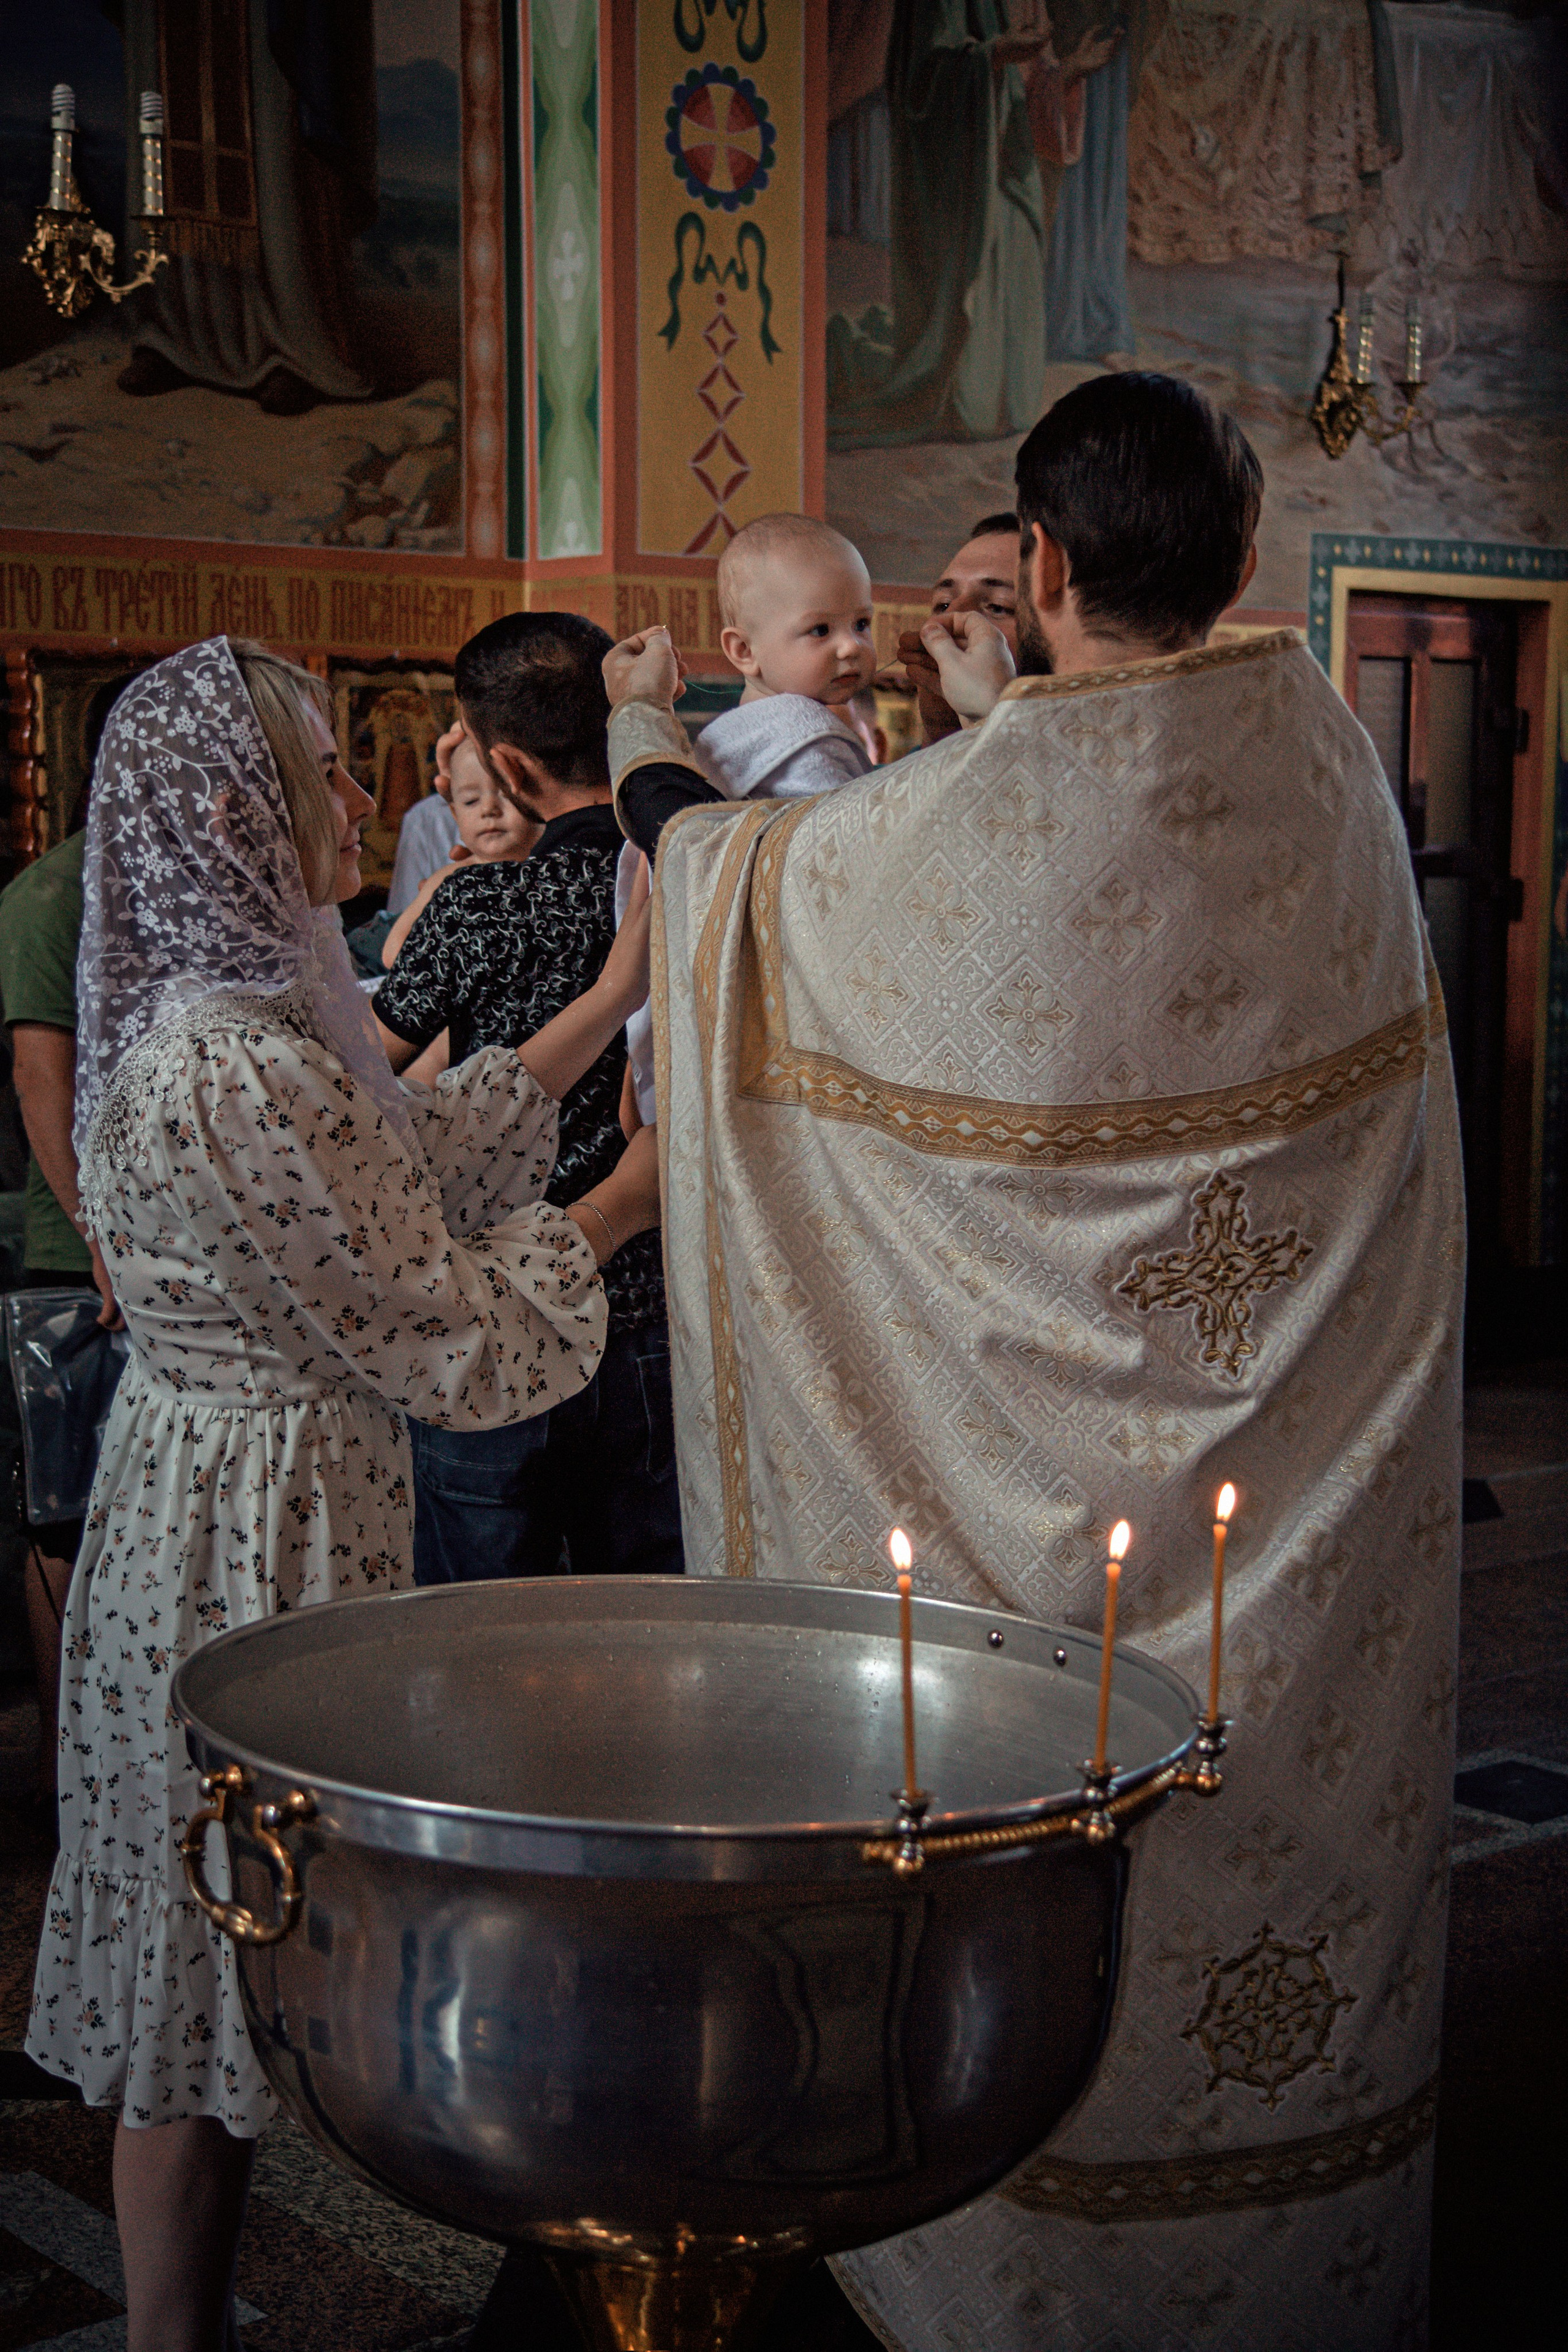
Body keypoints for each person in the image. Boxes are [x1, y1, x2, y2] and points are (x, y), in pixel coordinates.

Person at [608, 371, 1463, 2351]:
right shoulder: (1332, 758)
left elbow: (741, 892)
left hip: (1034, 1518)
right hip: (1301, 1516)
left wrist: (653, 727)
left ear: (1048, 562)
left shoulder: (973, 819)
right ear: (1249, 558)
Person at [26, 634, 659, 2352]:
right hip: (240, 1522)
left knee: (224, 1949)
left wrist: (602, 1003)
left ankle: (191, 2324)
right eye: (330, 770)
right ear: (240, 810)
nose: (375, 798)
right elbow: (432, 1317)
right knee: (196, 1949)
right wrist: (639, 1192)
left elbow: (410, 1159)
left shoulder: (251, 1024)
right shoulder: (227, 1063)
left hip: (257, 1488)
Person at [373, 612, 682, 1584]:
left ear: (506, 766)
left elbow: (360, 1084)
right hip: (645, 1311)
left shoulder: (476, 905)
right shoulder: (686, 882)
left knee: (476, 1624)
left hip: (491, 1319)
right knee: (641, 1613)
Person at [616, 514, 879, 1125]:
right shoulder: (806, 741)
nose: (851, 646)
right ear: (742, 651)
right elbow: (844, 869)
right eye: (820, 630)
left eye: (861, 623)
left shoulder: (726, 739)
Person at [0, 677, 127, 1800]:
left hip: (166, 1250)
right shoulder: (53, 893)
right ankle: (61, 1768)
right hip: (72, 1251)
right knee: (67, 1522)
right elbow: (45, 1077)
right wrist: (100, 1232)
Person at [380, 726, 540, 967]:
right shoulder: (447, 879)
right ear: (455, 814)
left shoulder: (550, 870)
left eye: (507, 794)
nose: (488, 809)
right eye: (471, 801)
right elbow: (393, 951)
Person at [895, 508, 1021, 744]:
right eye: (943, 605)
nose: (946, 622)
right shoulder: (866, 781)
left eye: (997, 607)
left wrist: (995, 718)